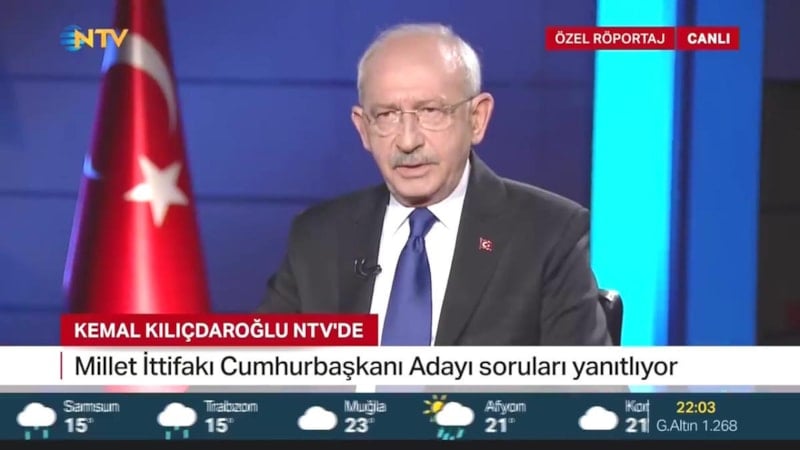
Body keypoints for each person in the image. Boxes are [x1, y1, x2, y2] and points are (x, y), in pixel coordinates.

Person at [259, 23, 611, 347]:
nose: (408, 141)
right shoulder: (318, 236)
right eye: (387, 115)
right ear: (363, 129)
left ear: (477, 119)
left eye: (431, 111)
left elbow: (589, 390)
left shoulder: (549, 234)